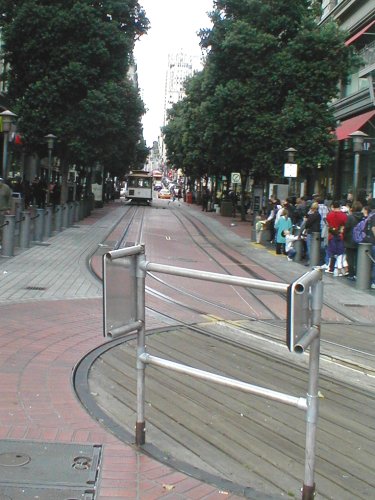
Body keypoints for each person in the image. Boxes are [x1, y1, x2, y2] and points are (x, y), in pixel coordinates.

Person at [326, 200, 348, 276]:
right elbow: (346, 225)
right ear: (339, 206)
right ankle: (339, 268)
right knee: (340, 252)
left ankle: (331, 267)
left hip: (331, 235)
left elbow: (328, 224)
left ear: (333, 206)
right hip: (340, 235)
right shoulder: (344, 216)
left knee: (332, 252)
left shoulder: (329, 215)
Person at [343, 201, 363, 280]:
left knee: (350, 258)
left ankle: (351, 274)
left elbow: (346, 228)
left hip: (350, 240)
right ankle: (358, 273)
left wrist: (344, 236)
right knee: (358, 258)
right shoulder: (363, 217)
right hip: (360, 240)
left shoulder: (350, 217)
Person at [303, 202, 321, 266]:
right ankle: (314, 260)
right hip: (317, 232)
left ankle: (311, 260)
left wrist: (306, 219)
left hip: (311, 232)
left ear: (312, 208)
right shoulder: (318, 215)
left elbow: (307, 223)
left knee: (309, 246)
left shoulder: (313, 215)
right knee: (315, 247)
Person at [0, 177, 12, 247]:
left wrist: (8, 208)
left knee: (1, 227)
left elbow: (9, 198)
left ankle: (1, 241)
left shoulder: (6, 188)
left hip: (2, 210)